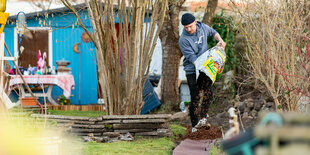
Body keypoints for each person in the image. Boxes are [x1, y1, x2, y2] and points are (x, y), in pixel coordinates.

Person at [179, 13, 226, 132]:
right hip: (192, 69)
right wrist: (207, 66)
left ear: (195, 22)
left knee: (208, 92)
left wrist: (220, 40)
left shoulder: (203, 27)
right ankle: (195, 126)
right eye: (186, 28)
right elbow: (193, 59)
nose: (188, 29)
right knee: (195, 95)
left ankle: (203, 118)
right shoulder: (183, 40)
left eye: (190, 26)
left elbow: (213, 33)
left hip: (205, 66)